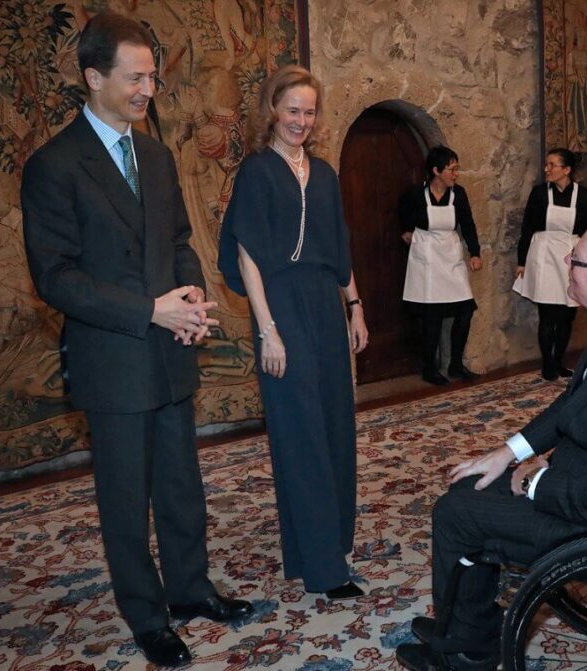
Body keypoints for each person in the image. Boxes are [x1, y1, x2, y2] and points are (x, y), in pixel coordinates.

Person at [21, 14, 251, 669]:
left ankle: (190, 589)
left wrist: (193, 299)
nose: (149, 87)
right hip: (113, 357)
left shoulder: (155, 154)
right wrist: (150, 309)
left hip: (170, 348)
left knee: (181, 484)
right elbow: (55, 276)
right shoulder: (53, 165)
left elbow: (178, 240)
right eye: (136, 76)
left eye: (152, 74)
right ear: (94, 78)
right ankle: (147, 617)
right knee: (126, 496)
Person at [398, 217, 587, 671]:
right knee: (475, 485)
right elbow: (574, 406)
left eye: (578, 258)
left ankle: (468, 647)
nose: (566, 260)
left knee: (457, 511)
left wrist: (535, 483)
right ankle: (471, 622)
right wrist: (509, 452)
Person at [217, 65, 369, 600]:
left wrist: (355, 306)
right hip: (280, 304)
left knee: (334, 424)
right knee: (299, 433)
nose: (301, 120)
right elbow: (246, 252)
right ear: (272, 111)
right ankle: (325, 570)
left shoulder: (324, 173)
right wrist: (268, 330)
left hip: (325, 305)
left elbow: (339, 245)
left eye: (309, 111)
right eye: (292, 109)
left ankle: (328, 546)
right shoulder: (257, 172)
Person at [400, 146, 482, 386]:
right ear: (436, 170)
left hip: (451, 255)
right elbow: (403, 214)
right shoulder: (416, 195)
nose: (455, 174)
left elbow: (467, 223)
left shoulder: (460, 194)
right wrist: (406, 232)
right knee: (432, 317)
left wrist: (475, 252)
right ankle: (429, 368)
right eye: (451, 169)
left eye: (457, 169)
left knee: (465, 312)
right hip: (427, 258)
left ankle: (456, 364)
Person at [514, 148, 587, 381]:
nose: (546, 169)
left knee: (567, 314)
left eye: (552, 165)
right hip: (544, 256)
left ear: (566, 169)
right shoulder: (539, 194)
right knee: (548, 314)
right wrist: (521, 261)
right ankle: (547, 364)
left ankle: (559, 360)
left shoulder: (584, 195)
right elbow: (527, 228)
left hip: (571, 256)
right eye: (547, 164)